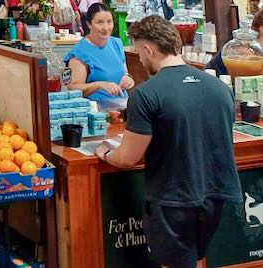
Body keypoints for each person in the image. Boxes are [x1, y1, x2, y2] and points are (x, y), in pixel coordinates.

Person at [96, 16, 241, 268]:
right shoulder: (220, 88)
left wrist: (105, 151)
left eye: (139, 52)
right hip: (217, 196)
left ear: (148, 50)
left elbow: (127, 157)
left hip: (173, 198)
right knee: (194, 260)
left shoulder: (146, 93)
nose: (140, 60)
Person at [63, 3, 134, 101]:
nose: (106, 28)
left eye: (109, 22)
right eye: (100, 23)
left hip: (122, 105)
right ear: (89, 24)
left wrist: (128, 78)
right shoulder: (80, 52)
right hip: (97, 110)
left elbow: (124, 72)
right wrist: (99, 85)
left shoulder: (116, 43)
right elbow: (73, 88)